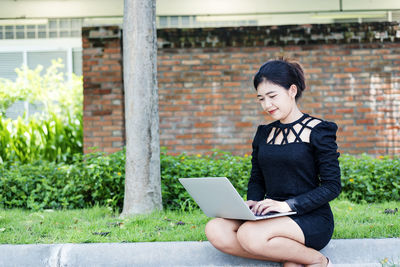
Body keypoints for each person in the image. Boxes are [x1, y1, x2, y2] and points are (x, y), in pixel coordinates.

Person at [205, 59, 341, 267]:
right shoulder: (264, 133)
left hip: (310, 217)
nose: (267, 105)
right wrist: (252, 202)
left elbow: (332, 186)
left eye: (272, 96)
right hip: (270, 215)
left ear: (292, 90)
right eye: (261, 99)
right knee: (216, 229)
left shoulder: (319, 130)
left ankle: (319, 261)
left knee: (250, 235)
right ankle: (293, 256)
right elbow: (257, 178)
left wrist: (287, 205)